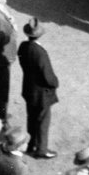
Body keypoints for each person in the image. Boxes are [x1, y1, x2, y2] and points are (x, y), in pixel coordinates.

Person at [19, 19, 59, 158]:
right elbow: (48, 76)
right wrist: (55, 83)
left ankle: (32, 144)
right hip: (42, 92)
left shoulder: (23, 47)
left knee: (31, 118)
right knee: (43, 120)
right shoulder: (40, 52)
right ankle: (42, 149)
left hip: (29, 89)